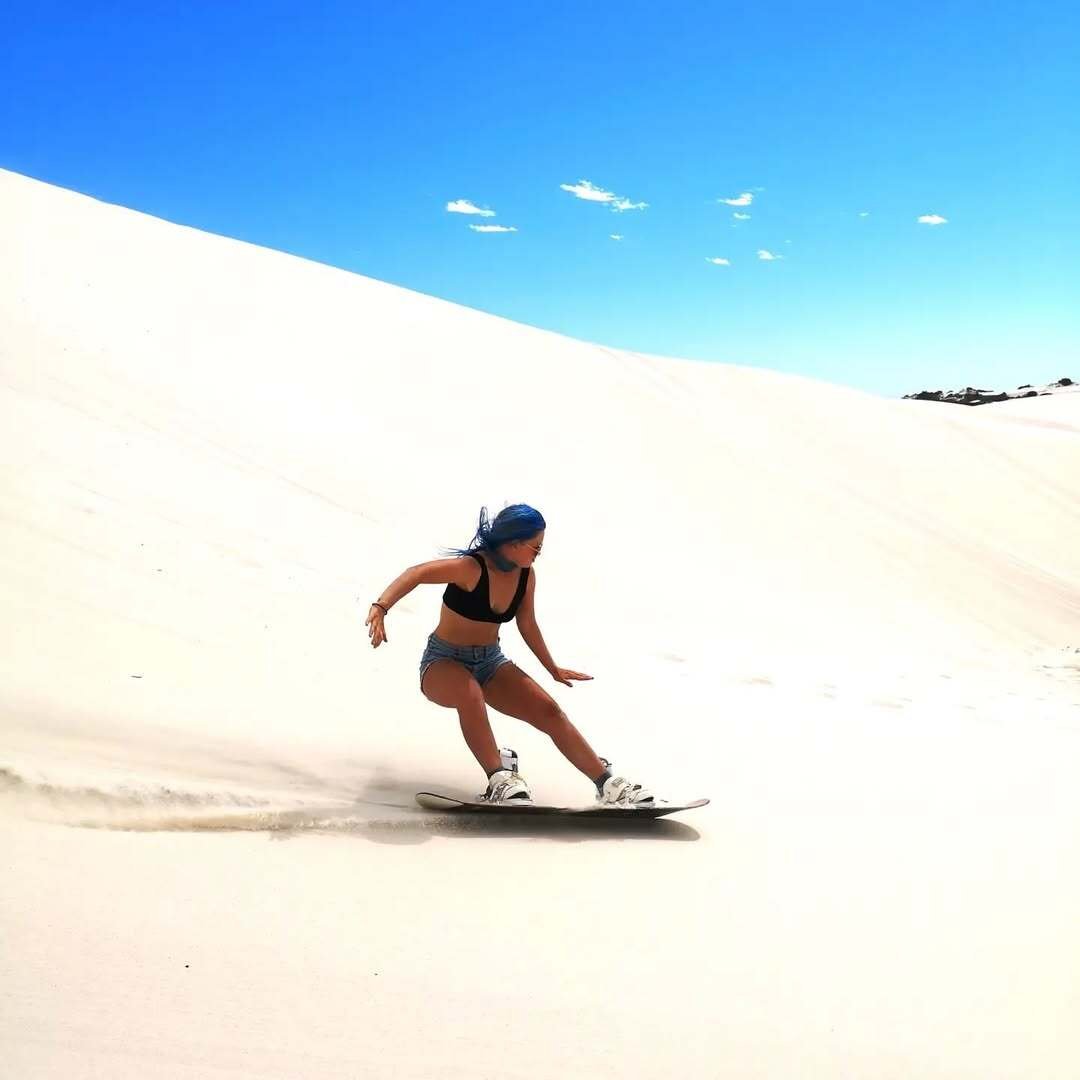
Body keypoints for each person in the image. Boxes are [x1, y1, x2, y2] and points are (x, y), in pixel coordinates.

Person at [365, 504, 656, 806]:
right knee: (470, 695)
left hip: (491, 662)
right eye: (536, 547)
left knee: (549, 712)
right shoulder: (471, 568)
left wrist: (552, 668)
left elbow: (527, 623)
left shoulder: (525, 576)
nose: (537, 554)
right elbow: (417, 574)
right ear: (514, 542)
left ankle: (607, 784)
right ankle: (499, 779)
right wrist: (381, 607)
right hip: (443, 662)